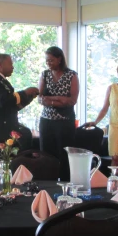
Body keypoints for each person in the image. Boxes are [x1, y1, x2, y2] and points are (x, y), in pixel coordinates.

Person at [0, 53, 39, 158]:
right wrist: (24, 93)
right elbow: (4, 101)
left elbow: (12, 107)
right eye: (10, 64)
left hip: (7, 131)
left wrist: (28, 98)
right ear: (0, 65)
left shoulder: (2, 81)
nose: (12, 67)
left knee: (11, 166)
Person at [38, 46, 79, 180]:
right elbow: (40, 98)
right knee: (46, 153)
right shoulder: (44, 74)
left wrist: (50, 99)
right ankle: (48, 181)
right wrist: (59, 99)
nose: (48, 63)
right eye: (47, 61)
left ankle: (66, 181)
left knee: (65, 153)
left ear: (59, 59)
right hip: (47, 120)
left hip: (65, 120)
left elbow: (72, 100)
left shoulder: (72, 75)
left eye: (51, 60)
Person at [83, 62, 118, 166]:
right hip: (114, 127)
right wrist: (95, 121)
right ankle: (113, 180)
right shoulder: (112, 88)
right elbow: (105, 108)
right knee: (115, 158)